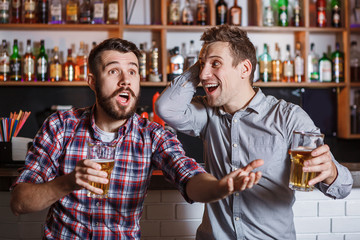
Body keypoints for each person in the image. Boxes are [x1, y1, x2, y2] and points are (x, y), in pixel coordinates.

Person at [10, 38, 264, 239]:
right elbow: (20, 202)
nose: (125, 81)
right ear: (92, 81)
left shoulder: (152, 134)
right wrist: (68, 183)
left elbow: (189, 175)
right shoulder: (60, 126)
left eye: (132, 72)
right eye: (113, 71)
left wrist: (221, 187)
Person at [155, 25, 353, 239]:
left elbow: (342, 189)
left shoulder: (288, 117)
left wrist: (331, 172)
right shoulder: (207, 114)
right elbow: (166, 108)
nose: (203, 74)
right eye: (202, 65)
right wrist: (204, 61)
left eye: (216, 64)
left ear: (245, 69)